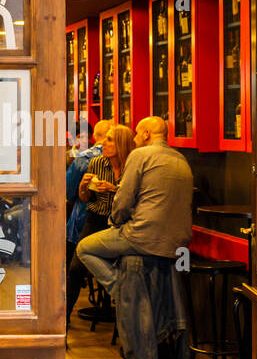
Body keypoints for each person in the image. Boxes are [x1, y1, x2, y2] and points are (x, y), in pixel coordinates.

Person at [76, 116, 193, 297]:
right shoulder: (180, 158)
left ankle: (123, 291)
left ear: (146, 134)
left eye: (137, 133)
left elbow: (123, 201)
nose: (135, 139)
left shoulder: (139, 155)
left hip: (144, 237)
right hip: (178, 243)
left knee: (84, 248)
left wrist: (115, 221)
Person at [65, 125, 134, 321]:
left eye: (110, 140)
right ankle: (64, 322)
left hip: (121, 224)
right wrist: (83, 187)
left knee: (129, 267)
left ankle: (125, 313)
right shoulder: (96, 163)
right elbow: (85, 198)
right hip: (95, 220)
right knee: (75, 268)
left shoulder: (132, 167)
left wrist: (113, 189)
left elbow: (133, 200)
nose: (103, 143)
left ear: (121, 144)